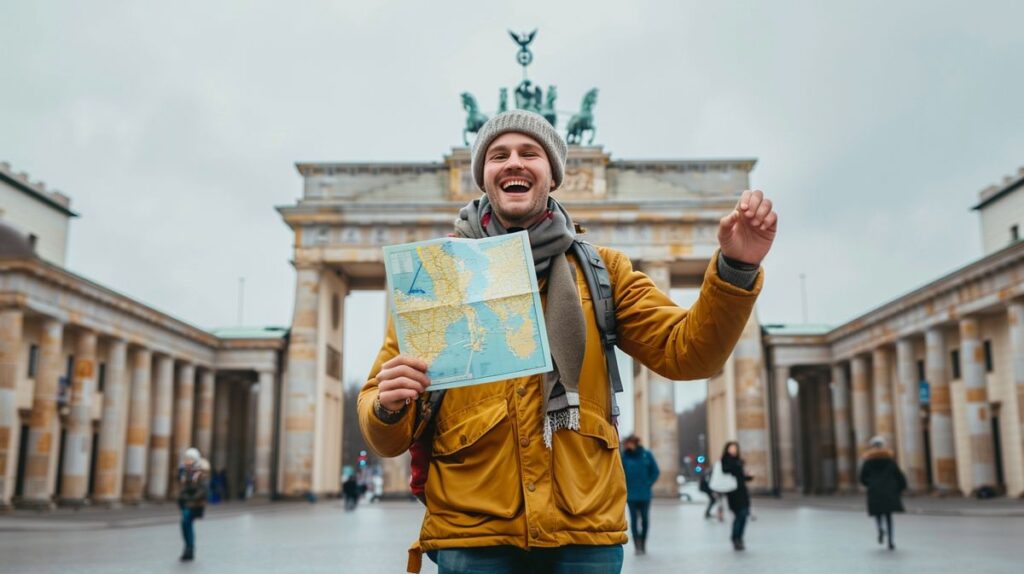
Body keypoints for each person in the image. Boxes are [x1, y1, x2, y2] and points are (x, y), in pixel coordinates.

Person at [358, 109, 777, 573]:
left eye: (529, 153)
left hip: (584, 533)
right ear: (483, 177)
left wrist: (736, 269)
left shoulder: (605, 272)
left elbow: (688, 353)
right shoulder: (436, 277)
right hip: (473, 534)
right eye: (498, 155)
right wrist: (387, 406)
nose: (513, 162)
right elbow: (385, 430)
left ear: (553, 175)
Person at [859, 436, 907, 550]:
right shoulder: (890, 460)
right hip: (889, 491)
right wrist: (900, 487)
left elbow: (862, 477)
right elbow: (899, 475)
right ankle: (890, 541)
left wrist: (869, 484)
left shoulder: (868, 461)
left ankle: (880, 529)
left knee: (877, 514)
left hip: (875, 491)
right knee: (889, 516)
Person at [621, 435, 659, 555]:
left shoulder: (646, 455)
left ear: (635, 443)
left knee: (645, 520)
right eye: (626, 443)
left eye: (629, 443)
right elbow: (619, 473)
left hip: (644, 494)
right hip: (631, 495)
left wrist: (648, 483)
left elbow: (655, 471)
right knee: (633, 520)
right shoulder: (624, 456)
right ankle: (637, 545)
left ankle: (643, 543)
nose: (627, 445)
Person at [176, 447, 209, 562]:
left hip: (195, 503)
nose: (187, 461)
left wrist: (190, 497)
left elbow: (203, 489)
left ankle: (189, 548)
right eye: (187, 458)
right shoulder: (184, 471)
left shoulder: (200, 472)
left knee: (186, 521)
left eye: (190, 459)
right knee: (185, 524)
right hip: (186, 503)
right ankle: (188, 547)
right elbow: (182, 486)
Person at [719, 441, 753, 550]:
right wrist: (737, 465)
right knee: (739, 515)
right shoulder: (726, 460)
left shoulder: (739, 461)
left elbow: (741, 477)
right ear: (727, 449)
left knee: (744, 516)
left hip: (742, 491)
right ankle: (735, 538)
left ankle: (739, 538)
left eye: (735, 448)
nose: (733, 450)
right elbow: (725, 471)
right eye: (731, 448)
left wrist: (749, 477)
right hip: (733, 493)